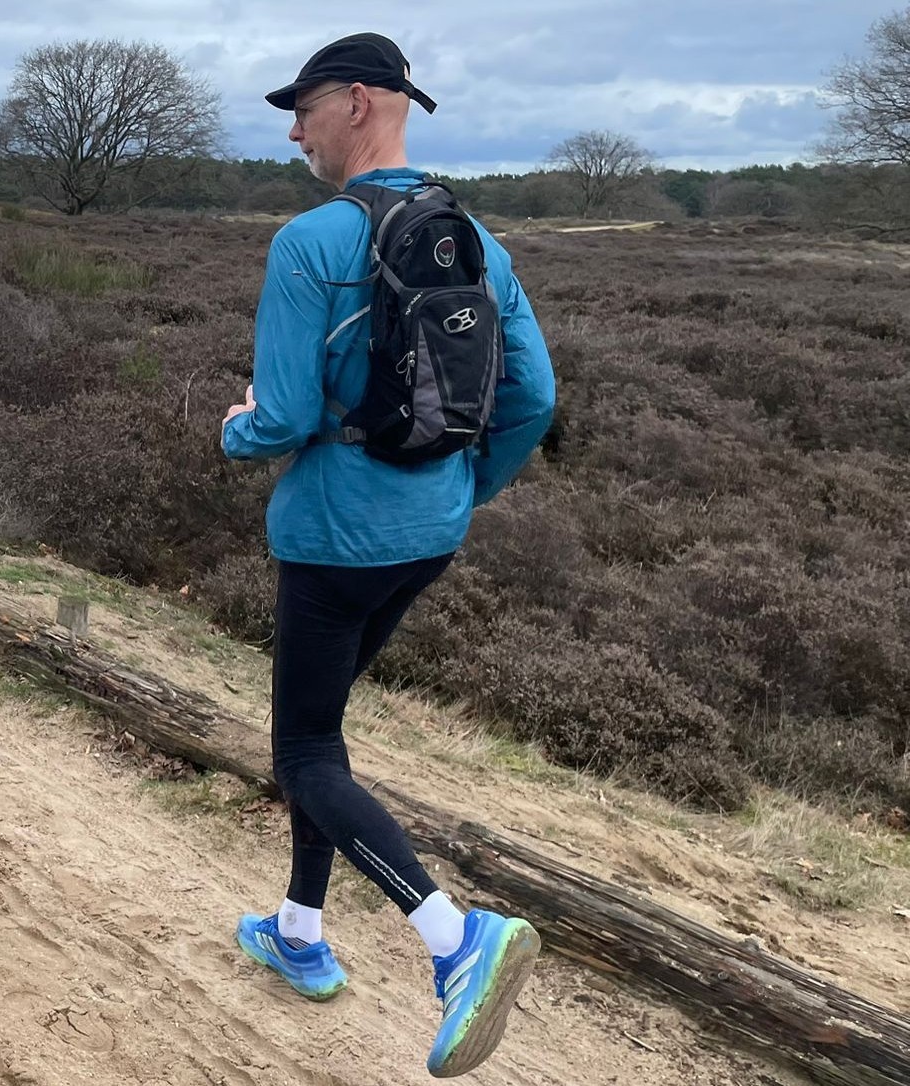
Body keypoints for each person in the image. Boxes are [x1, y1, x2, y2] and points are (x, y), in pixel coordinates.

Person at [220, 33, 556, 1080]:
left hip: (330, 536)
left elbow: (276, 419)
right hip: (426, 538)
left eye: (303, 106)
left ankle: (455, 941)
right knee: (320, 738)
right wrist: (457, 490)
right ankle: (298, 930)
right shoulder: (480, 244)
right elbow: (533, 399)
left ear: (359, 102)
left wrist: (233, 426)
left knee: (303, 757)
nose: (290, 128)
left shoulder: (308, 240)